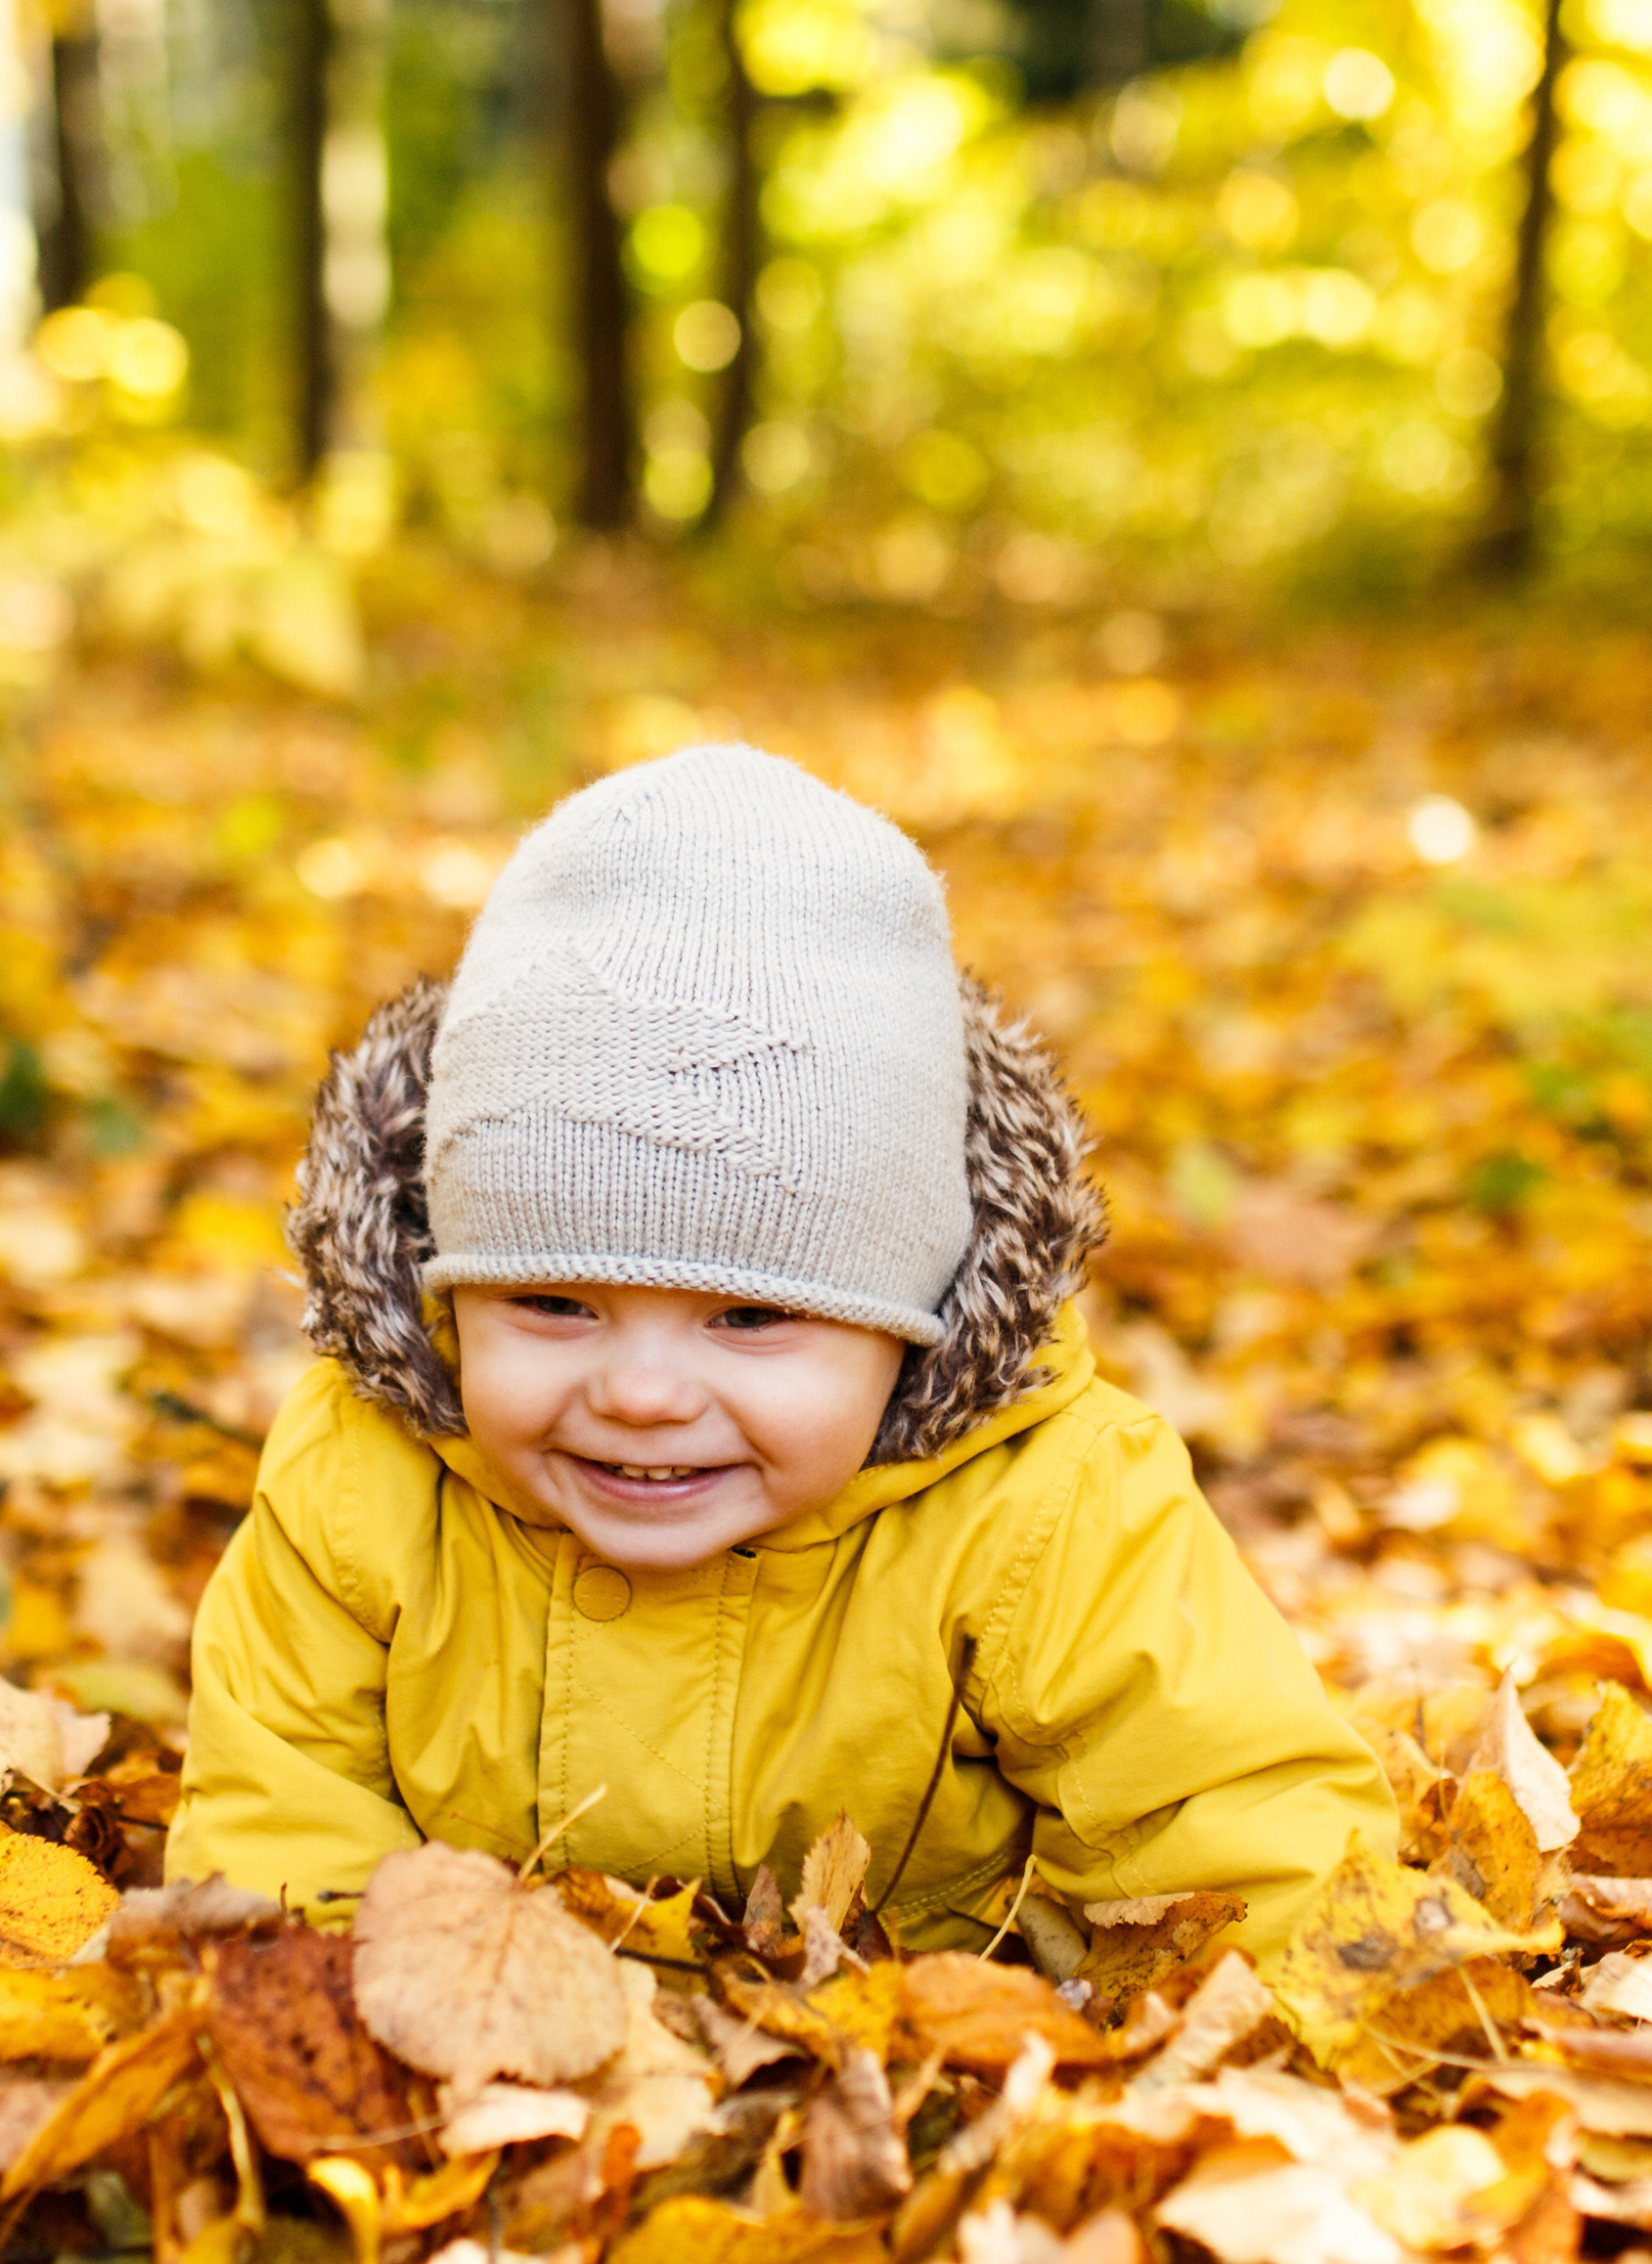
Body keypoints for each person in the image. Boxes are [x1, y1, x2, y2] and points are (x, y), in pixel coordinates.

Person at [166, 744, 1393, 1958]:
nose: (640, 1394)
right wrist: (314, 2042)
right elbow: (281, 1820)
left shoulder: (1052, 1510)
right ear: (446, 1284)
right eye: (551, 1302)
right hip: (474, 2054)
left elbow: (1239, 1833)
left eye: (748, 1317)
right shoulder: (362, 1480)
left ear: (910, 1320)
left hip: (928, 2074)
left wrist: (1244, 2053)